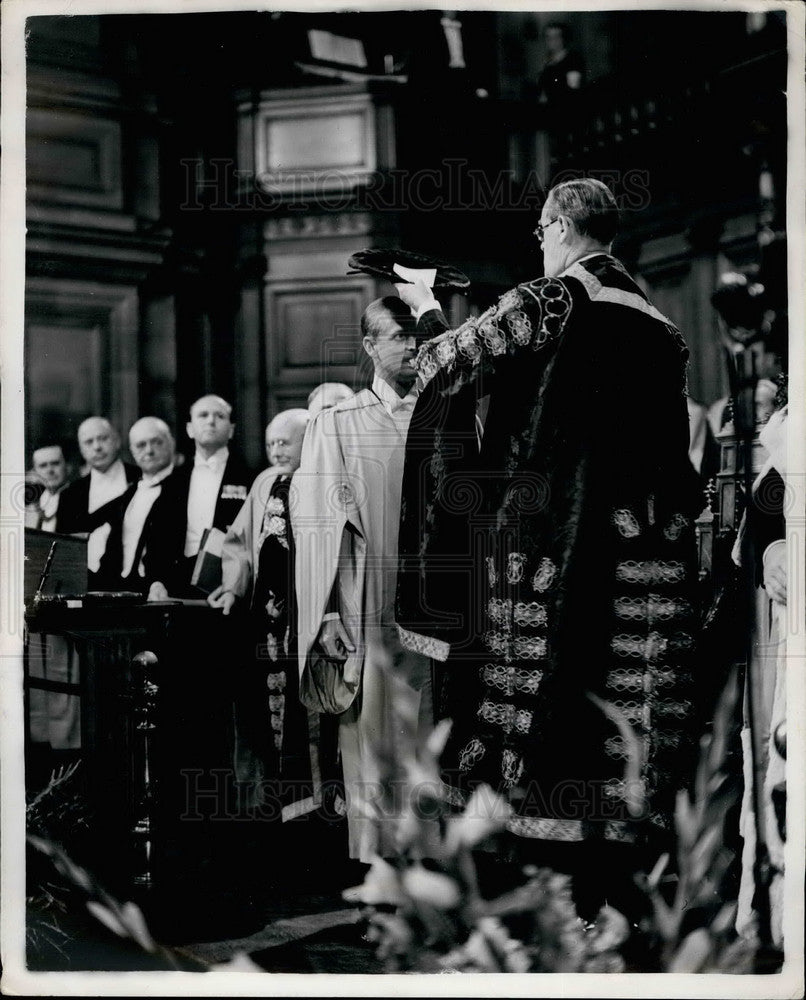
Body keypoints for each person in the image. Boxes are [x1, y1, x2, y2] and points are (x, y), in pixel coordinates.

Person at [394, 178, 704, 919]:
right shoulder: (663, 324)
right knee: (620, 705)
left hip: (557, 544)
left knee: (550, 702)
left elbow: (439, 362)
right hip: (645, 551)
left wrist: (424, 307)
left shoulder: (552, 300)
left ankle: (555, 891)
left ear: (562, 227)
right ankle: (619, 891)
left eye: (541, 230)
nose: (539, 242)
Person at [292, 298, 436, 864]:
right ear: (371, 346)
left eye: (420, 336)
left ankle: (432, 871)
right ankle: (379, 872)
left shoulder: (445, 416)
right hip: (367, 594)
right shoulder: (338, 423)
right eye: (399, 337)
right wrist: (328, 611)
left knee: (428, 733)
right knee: (373, 736)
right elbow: (320, 527)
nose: (413, 347)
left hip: (438, 598)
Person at [166, 394, 253, 595]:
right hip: (177, 584)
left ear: (231, 430)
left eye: (219, 416)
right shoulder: (173, 481)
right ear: (189, 429)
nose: (211, 421)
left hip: (228, 584)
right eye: (203, 415)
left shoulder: (248, 478)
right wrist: (157, 582)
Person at [87, 417, 181, 597]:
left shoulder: (185, 487)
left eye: (156, 442)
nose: (149, 450)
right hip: (122, 590)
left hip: (159, 592)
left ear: (171, 443)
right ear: (131, 450)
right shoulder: (129, 493)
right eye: (141, 445)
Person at [56, 417, 140, 585]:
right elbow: (64, 549)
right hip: (87, 584)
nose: (97, 447)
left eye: (103, 438)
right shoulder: (70, 494)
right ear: (81, 450)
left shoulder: (140, 479)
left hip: (134, 582)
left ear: (117, 441)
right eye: (89, 442)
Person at [28, 445, 70, 531]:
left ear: (67, 466)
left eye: (55, 463)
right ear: (35, 472)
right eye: (43, 466)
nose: (50, 470)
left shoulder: (81, 499)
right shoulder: (33, 505)